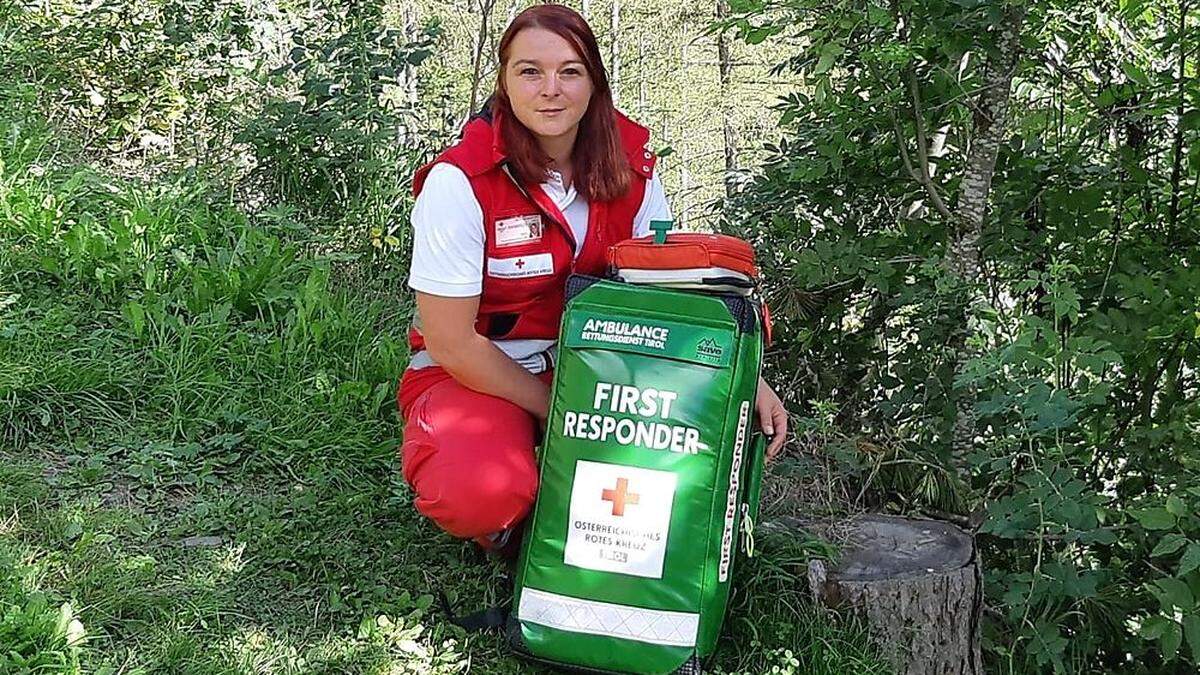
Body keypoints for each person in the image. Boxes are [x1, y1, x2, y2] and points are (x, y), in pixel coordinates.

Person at [397, 4, 787, 558]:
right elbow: (452, 342)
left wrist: (746, 378)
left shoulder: (632, 172)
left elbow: (668, 297)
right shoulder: (460, 183)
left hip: (603, 365)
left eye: (570, 71)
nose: (550, 89)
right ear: (504, 83)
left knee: (685, 469)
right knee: (477, 492)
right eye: (529, 71)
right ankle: (512, 523)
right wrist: (558, 409)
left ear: (594, 83)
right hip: (476, 373)